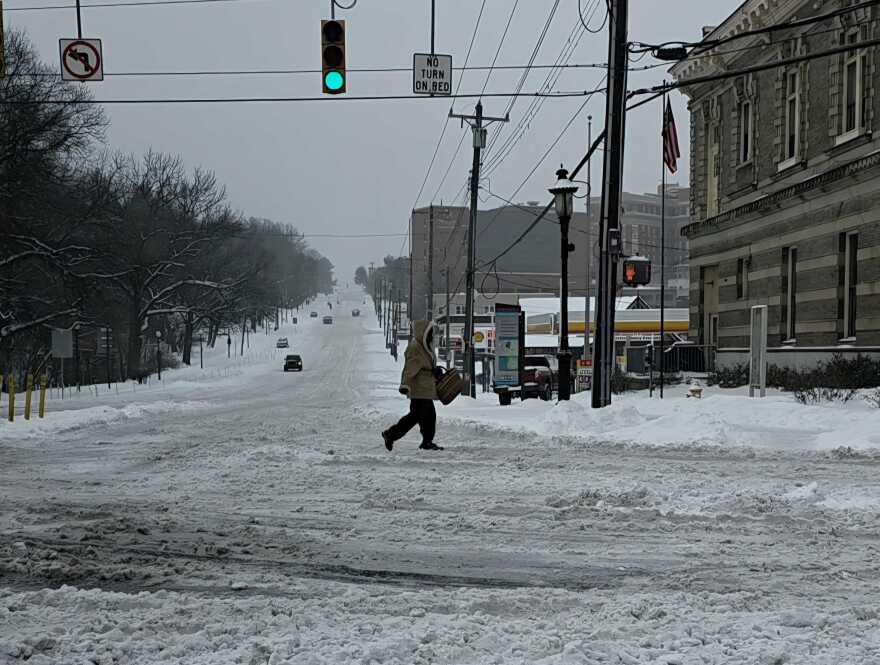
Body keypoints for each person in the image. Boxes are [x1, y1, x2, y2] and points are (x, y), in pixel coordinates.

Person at [382, 320, 444, 451]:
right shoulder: (416, 348)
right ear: (424, 333)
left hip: (425, 389)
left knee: (425, 416)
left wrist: (435, 370)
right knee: (418, 416)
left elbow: (426, 366)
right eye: (431, 332)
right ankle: (391, 434)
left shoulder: (424, 346)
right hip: (419, 389)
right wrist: (404, 385)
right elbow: (409, 369)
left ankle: (425, 441)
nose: (433, 335)